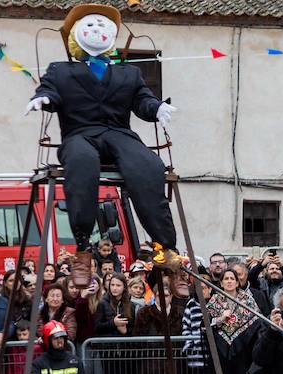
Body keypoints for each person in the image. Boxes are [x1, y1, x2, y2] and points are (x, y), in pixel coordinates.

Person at [26, 4, 179, 284]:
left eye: (102, 25)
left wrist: (156, 108)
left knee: (147, 166)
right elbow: (49, 90)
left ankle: (165, 246)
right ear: (75, 34)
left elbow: (141, 100)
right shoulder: (60, 71)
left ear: (112, 35)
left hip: (119, 133)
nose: (97, 29)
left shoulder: (128, 73)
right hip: (79, 134)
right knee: (83, 163)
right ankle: (83, 247)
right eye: (90, 25)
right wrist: (43, 99)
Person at [206, 267, 262, 374]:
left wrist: (242, 340)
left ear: (238, 282)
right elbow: (206, 324)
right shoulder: (214, 301)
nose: (229, 281)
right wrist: (220, 319)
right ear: (221, 283)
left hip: (243, 352)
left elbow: (257, 322)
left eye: (232, 278)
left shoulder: (248, 300)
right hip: (222, 352)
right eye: (226, 279)